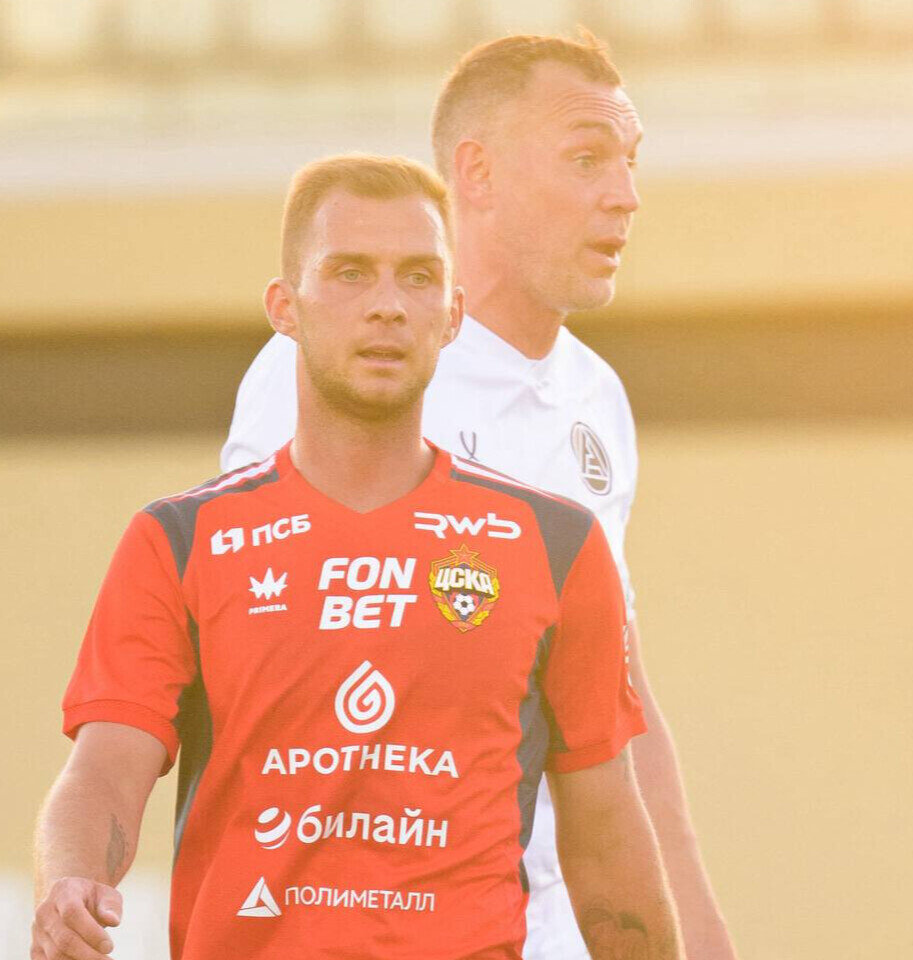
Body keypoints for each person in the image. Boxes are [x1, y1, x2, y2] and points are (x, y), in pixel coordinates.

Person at [32, 155, 680, 960]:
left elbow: (607, 832)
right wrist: (70, 880)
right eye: (348, 273)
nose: (386, 306)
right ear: (285, 307)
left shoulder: (555, 545)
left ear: (452, 314)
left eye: (418, 277)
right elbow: (103, 771)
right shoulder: (181, 540)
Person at [222, 33, 736, 960]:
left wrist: (697, 929)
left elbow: (615, 696)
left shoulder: (595, 398)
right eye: (586, 158)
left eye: (630, 162)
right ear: (477, 173)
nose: (624, 194)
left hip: (554, 927)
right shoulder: (331, 366)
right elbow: (257, 662)